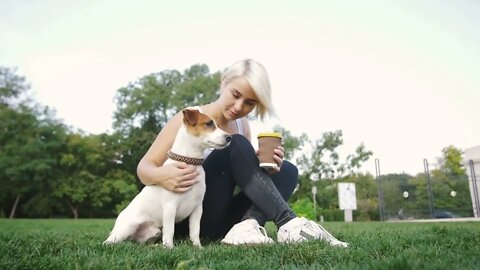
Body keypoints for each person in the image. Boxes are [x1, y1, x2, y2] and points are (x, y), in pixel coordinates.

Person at [136, 59, 348, 247]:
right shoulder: (189, 119)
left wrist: (267, 168)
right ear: (223, 82)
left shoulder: (241, 125)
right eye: (236, 95)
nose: (239, 107)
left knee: (287, 170)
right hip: (188, 217)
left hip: (223, 219)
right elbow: (144, 168)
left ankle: (246, 228)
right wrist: (163, 176)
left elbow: (243, 177)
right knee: (235, 145)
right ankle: (288, 223)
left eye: (250, 102)